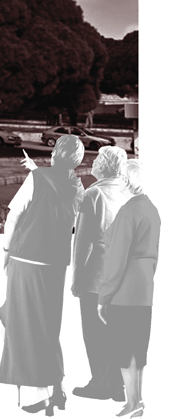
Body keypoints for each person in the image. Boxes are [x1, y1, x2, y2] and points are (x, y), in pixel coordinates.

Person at [0, 135, 86, 416]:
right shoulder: (77, 185)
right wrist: (37, 171)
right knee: (47, 324)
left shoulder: (37, 178)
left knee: (23, 322)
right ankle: (57, 387)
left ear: (55, 153)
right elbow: (62, 201)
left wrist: (5, 249)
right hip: (56, 263)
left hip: (26, 258)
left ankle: (37, 396)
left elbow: (13, 216)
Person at [97, 160, 159, 419]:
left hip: (124, 289)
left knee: (124, 350)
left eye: (121, 177)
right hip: (144, 288)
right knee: (138, 348)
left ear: (127, 181)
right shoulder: (151, 209)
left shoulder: (128, 211)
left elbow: (116, 261)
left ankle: (132, 404)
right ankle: (138, 403)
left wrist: (103, 297)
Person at [71, 146, 133, 401]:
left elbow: (82, 243)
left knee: (94, 334)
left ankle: (100, 385)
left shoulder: (93, 195)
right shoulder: (128, 194)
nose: (94, 161)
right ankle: (118, 386)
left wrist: (76, 279)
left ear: (104, 165)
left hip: (97, 276)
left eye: (97, 158)